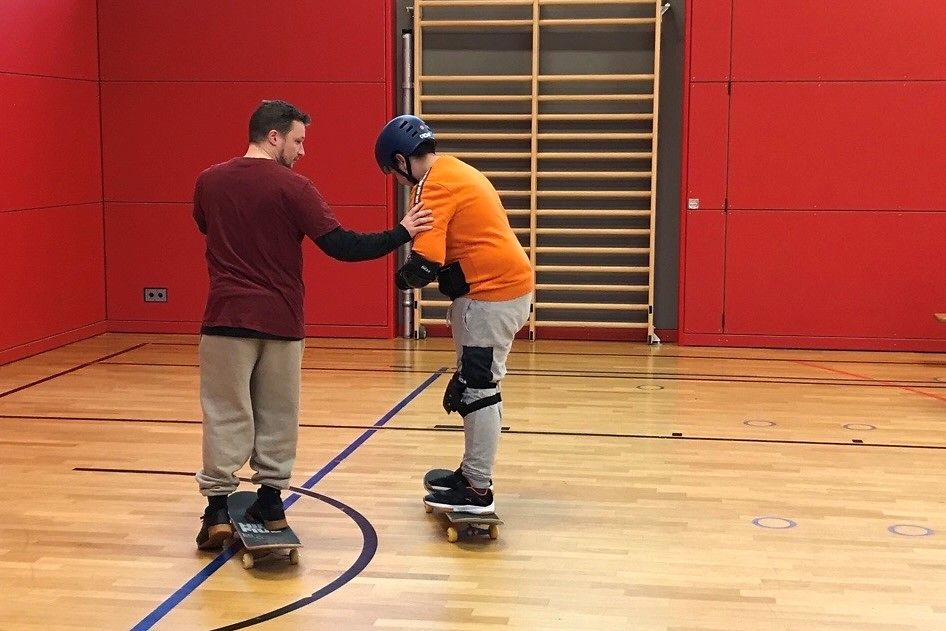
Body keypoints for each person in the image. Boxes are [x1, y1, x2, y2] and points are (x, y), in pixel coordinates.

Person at [193, 100, 432, 550]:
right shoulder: (295, 188)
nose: (303, 152)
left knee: (225, 415)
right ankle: (270, 502)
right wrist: (402, 231)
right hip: (282, 321)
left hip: (224, 320)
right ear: (274, 136)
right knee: (278, 415)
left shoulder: (209, 181)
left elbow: (205, 226)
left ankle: (218, 510)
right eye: (299, 141)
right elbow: (342, 246)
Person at [375, 115, 533, 514]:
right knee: (479, 384)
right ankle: (471, 473)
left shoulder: (434, 186)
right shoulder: (453, 167)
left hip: (490, 295)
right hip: (500, 289)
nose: (398, 181)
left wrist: (397, 276)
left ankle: (477, 488)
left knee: (477, 388)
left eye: (393, 173)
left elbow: (424, 265)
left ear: (400, 160)